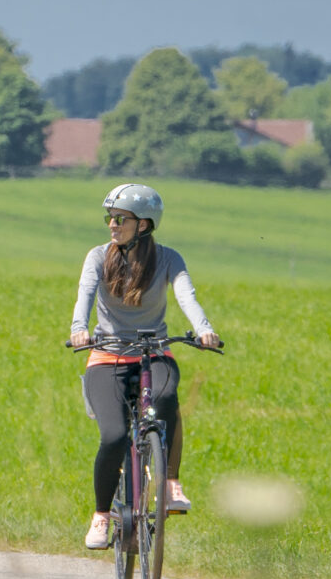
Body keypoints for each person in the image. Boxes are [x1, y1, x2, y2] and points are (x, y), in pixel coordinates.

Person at [68, 182, 219, 550]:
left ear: (144, 224)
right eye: (110, 218)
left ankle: (170, 485)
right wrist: (78, 329)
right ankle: (101, 516)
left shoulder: (169, 259)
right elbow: (85, 294)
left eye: (120, 219)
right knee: (114, 436)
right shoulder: (97, 257)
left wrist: (204, 329)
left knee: (166, 399)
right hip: (108, 356)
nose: (112, 224)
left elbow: (186, 295)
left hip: (154, 352)